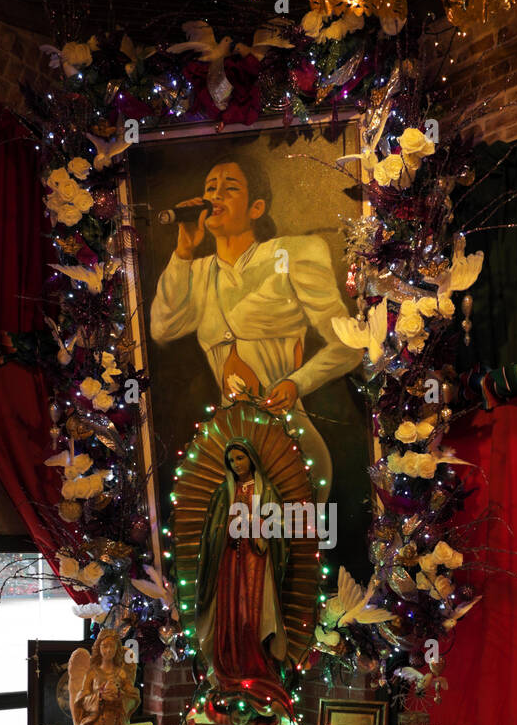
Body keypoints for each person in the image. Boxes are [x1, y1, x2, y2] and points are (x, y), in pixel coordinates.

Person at [150, 155, 360, 495]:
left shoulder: (293, 254)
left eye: (229, 189)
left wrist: (296, 383)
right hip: (228, 454)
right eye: (210, 188)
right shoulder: (197, 273)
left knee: (293, 545)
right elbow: (162, 328)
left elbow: (348, 344)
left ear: (256, 207)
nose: (215, 196)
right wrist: (185, 249)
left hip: (289, 447)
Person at [196, 439, 291, 715]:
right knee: (231, 616)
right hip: (228, 565)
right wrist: (226, 528)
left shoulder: (267, 491)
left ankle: (255, 668)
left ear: (251, 458)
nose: (237, 464)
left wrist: (258, 528)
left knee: (251, 616)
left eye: (241, 458)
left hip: (256, 563)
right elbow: (210, 533)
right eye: (232, 460)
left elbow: (279, 531)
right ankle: (230, 670)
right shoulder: (223, 493)